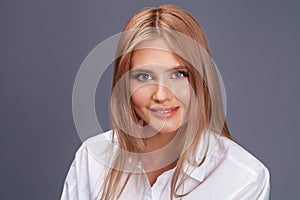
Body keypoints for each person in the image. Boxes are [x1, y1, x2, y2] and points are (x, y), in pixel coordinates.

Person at [61, 4, 270, 200]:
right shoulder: (92, 160)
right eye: (144, 77)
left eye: (178, 74)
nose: (161, 94)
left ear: (201, 80)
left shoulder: (244, 178)